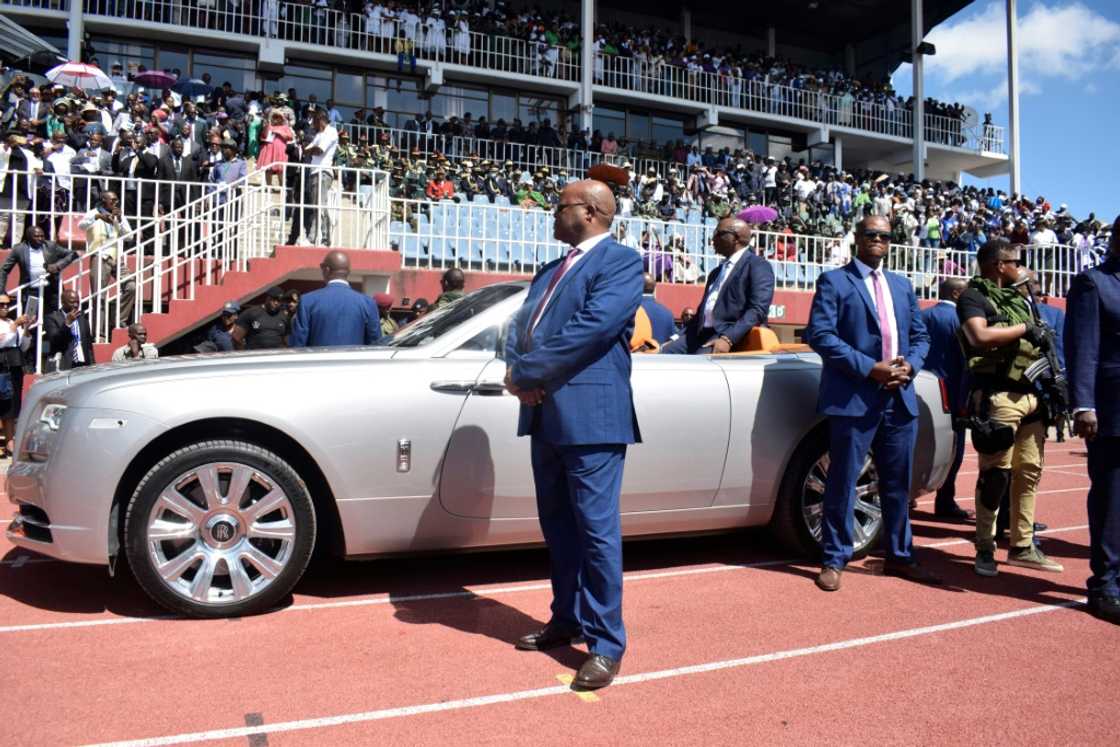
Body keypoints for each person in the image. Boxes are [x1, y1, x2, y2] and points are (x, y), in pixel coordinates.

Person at [504, 179, 643, 690]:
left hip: (591, 417)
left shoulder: (621, 262)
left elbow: (593, 328)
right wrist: (518, 367)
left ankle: (606, 644)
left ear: (588, 211)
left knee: (596, 532)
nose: (551, 214)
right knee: (558, 527)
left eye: (559, 206)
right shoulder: (548, 271)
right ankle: (567, 617)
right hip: (545, 414)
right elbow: (521, 329)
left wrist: (530, 373)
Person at [805, 215, 937, 591]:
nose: (878, 239)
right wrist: (870, 369)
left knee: (897, 484)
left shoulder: (901, 285)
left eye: (884, 235)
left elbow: (920, 336)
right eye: (871, 234)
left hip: (900, 397)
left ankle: (900, 555)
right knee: (843, 480)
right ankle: (834, 558)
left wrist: (910, 365)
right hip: (854, 398)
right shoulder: (834, 281)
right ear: (857, 239)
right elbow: (821, 335)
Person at [957, 238, 1063, 577]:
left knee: (1029, 472)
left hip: (1033, 396)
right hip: (999, 396)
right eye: (1015, 262)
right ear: (999, 265)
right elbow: (979, 337)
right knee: (995, 475)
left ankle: (1022, 546)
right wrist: (1025, 329)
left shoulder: (1022, 300)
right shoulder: (974, 296)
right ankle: (985, 548)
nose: (1020, 267)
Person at [1064, 215, 1120, 624]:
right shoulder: (1093, 283)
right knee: (1112, 497)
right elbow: (1083, 347)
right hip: (1112, 410)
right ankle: (1105, 586)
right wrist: (1084, 404)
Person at [661, 217, 774, 354]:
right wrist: (676, 337)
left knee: (696, 365)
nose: (713, 239)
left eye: (718, 233)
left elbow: (758, 309)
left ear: (735, 238)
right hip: (699, 335)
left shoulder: (758, 265)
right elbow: (700, 315)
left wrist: (728, 339)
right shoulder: (716, 272)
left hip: (727, 335)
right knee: (662, 354)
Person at [919, 277, 972, 520]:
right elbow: (965, 364)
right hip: (950, 394)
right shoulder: (961, 320)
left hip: (919, 389)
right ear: (958, 295)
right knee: (954, 451)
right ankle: (945, 501)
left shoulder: (923, 316)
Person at [289, 251, 380, 347]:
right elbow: (375, 345)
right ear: (348, 272)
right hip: (354, 362)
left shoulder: (307, 301)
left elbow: (298, 344)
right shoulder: (368, 303)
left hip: (318, 361)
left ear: (326, 270)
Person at [79, 191, 136, 330]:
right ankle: (99, 332)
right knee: (100, 296)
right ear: (104, 200)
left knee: (131, 286)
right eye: (113, 200)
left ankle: (118, 320)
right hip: (99, 256)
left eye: (117, 200)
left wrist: (120, 219)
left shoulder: (118, 214)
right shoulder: (93, 213)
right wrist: (98, 217)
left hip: (116, 257)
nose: (116, 202)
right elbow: (81, 226)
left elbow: (129, 236)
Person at [0, 226, 79, 315]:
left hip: (51, 290)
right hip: (32, 291)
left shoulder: (50, 246)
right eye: (37, 236)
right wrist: (1, 291)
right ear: (28, 237)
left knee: (53, 317)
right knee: (30, 317)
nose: (40, 239)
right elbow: (4, 270)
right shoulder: (19, 249)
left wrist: (57, 266)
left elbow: (73, 254)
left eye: (42, 236)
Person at [0, 293, 30, 457]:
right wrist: (15, 326)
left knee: (11, 407)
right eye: (1, 304)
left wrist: (24, 328)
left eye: (7, 304)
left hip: (14, 366)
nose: (5, 307)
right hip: (1, 366)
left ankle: (10, 442)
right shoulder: (10, 324)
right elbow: (2, 341)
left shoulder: (12, 322)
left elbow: (23, 346)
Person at [303, 110, 338, 246]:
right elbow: (306, 150)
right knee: (316, 206)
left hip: (323, 172)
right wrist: (312, 149)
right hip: (314, 172)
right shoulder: (319, 135)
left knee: (320, 206)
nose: (313, 125)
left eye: (315, 121)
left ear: (321, 119)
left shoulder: (331, 131)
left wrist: (312, 149)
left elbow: (319, 150)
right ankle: (315, 237)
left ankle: (323, 239)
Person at [44, 289, 94, 371]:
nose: (75, 305)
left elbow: (88, 345)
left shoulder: (82, 317)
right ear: (63, 302)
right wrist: (67, 324)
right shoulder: (52, 318)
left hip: (83, 365)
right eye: (72, 302)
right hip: (64, 365)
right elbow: (55, 340)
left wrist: (92, 365)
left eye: (77, 302)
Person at [639, 273, 675, 345]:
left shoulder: (630, 311)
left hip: (635, 354)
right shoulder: (667, 313)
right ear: (654, 288)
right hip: (660, 355)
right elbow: (671, 340)